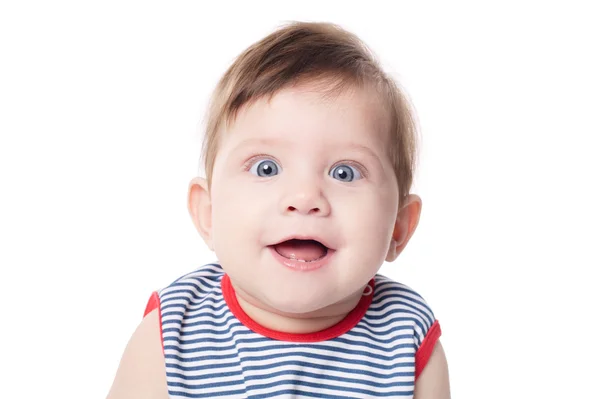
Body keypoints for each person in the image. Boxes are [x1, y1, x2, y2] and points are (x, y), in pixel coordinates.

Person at [107, 21, 450, 399]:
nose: (304, 197)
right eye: (265, 168)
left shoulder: (405, 338)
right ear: (208, 214)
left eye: (345, 172)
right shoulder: (172, 334)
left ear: (399, 227)